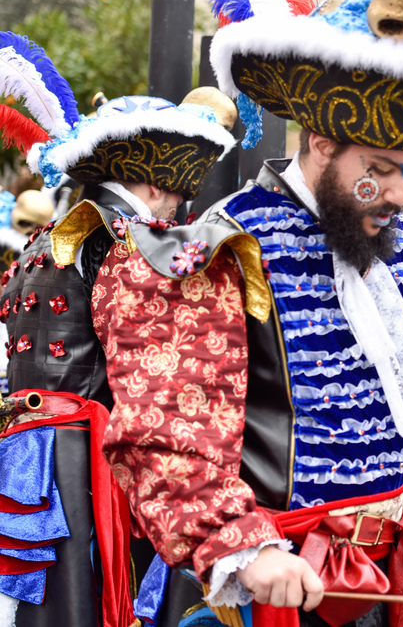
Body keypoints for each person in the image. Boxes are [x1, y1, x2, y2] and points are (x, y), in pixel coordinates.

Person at [81, 0, 403, 627]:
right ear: (319, 141)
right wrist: (241, 548)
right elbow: (167, 426)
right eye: (379, 171)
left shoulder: (384, 250)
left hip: (386, 575)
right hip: (272, 581)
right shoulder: (217, 248)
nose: (400, 196)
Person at [0, 32, 238, 627]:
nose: (179, 216)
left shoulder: (44, 238)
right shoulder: (122, 236)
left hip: (24, 443)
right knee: (80, 599)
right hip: (81, 454)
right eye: (179, 199)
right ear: (155, 183)